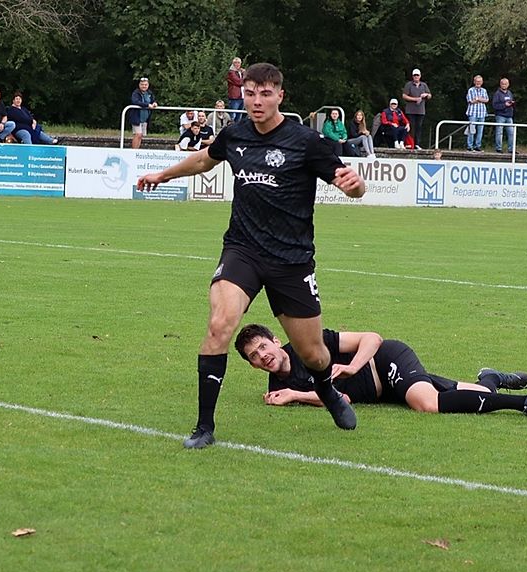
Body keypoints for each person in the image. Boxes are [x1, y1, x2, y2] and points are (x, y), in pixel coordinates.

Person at [136, 62, 366, 449]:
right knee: (219, 324)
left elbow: (349, 185)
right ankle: (204, 427)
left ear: (280, 96)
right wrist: (164, 175)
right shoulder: (235, 134)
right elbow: (204, 159)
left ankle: (326, 390)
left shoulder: (305, 141)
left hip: (291, 260)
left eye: (265, 93)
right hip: (242, 249)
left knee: (313, 353)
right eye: (250, 93)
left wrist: (356, 186)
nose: (256, 101)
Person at [235, 323, 527, 420]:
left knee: (427, 404)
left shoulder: (311, 345)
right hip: (385, 392)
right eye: (254, 356)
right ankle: (490, 379)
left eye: (263, 347)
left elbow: (373, 338)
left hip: (386, 361)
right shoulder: (278, 383)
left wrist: (353, 365)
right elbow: (341, 399)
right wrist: (293, 395)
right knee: (479, 396)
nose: (263, 356)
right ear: (252, 364)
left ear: (276, 341)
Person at [402, 68, 431, 149]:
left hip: (421, 110)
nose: (416, 77)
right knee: (411, 127)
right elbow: (404, 96)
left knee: (419, 127)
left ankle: (417, 144)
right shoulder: (409, 85)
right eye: (415, 75)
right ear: (412, 76)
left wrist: (426, 95)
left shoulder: (424, 85)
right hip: (410, 110)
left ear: (420, 76)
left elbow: (430, 95)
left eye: (417, 75)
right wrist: (415, 99)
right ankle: (409, 143)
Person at [129, 77, 157, 149]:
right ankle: (133, 151)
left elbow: (153, 100)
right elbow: (135, 101)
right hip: (136, 117)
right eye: (142, 84)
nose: (144, 86)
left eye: (145, 84)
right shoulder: (136, 93)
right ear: (139, 85)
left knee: (141, 136)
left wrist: (154, 103)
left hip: (145, 118)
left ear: (148, 85)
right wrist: (147, 105)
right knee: (138, 134)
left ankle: (137, 150)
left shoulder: (149, 93)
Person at [466, 74, 488, 152]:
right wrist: (479, 100)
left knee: (480, 130)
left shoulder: (484, 90)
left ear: (482, 82)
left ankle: (477, 146)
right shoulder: (471, 90)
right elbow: (470, 101)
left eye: (480, 81)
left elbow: (486, 100)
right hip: (473, 112)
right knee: (471, 130)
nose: (478, 83)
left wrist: (478, 99)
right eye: (477, 81)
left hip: (482, 113)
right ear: (474, 82)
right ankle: (469, 146)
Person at [492, 77, 515, 154]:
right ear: (500, 84)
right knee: (499, 133)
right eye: (502, 84)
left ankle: (511, 149)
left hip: (509, 116)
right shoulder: (497, 94)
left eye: (505, 84)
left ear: (508, 84)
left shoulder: (509, 93)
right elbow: (495, 106)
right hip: (500, 116)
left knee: (511, 133)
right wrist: (504, 105)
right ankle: (498, 148)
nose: (504, 85)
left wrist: (511, 104)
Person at [225, 57, 245, 122]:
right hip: (235, 97)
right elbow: (238, 82)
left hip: (242, 96)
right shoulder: (231, 72)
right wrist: (245, 78)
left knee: (239, 116)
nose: (237, 64)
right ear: (233, 63)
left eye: (238, 62)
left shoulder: (241, 72)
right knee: (233, 116)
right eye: (235, 63)